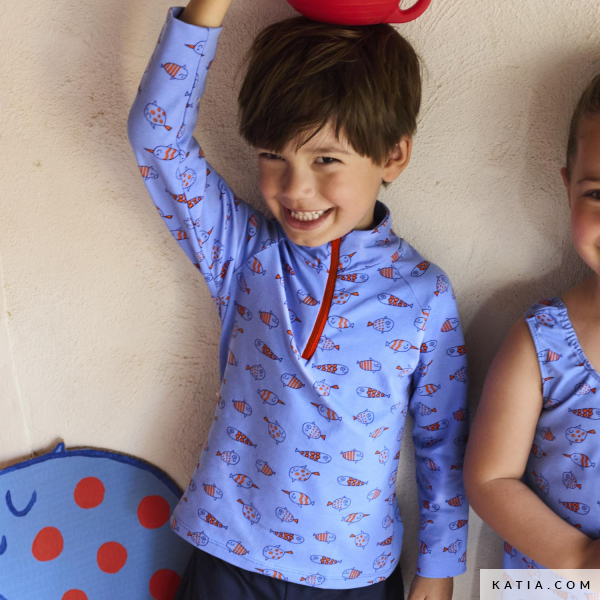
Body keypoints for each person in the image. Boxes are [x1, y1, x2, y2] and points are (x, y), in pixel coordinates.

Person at [127, 1, 469, 597]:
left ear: (393, 156)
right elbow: (157, 139)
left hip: (354, 574)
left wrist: (438, 572)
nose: (295, 188)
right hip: (228, 555)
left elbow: (443, 442)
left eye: (326, 159)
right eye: (272, 156)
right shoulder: (243, 255)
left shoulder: (424, 294)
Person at [464, 74, 600, 571]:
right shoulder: (540, 340)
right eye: (599, 194)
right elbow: (489, 478)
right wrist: (581, 561)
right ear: (568, 188)